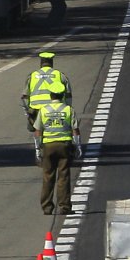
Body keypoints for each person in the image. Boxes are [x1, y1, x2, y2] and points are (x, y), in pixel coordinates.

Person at [33, 86, 81, 215]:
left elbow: (37, 131)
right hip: (64, 146)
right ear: (62, 96)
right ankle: (64, 207)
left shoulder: (43, 110)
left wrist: (37, 149)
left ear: (50, 96)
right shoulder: (68, 110)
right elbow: (75, 130)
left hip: (48, 146)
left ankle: (47, 207)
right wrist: (78, 147)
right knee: (63, 176)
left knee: (48, 176)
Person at [21, 51, 72, 132]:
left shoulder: (32, 76)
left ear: (41, 63)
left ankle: (37, 143)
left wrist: (28, 111)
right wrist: (68, 108)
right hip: (55, 109)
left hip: (36, 110)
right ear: (52, 62)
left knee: (35, 128)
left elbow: (25, 97)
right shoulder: (60, 75)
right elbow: (68, 95)